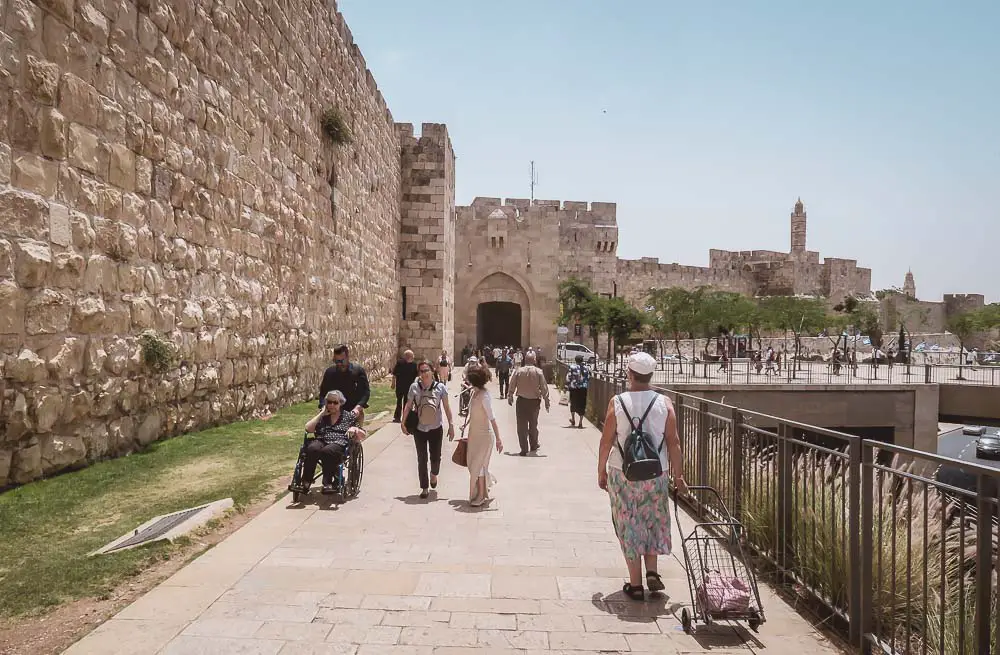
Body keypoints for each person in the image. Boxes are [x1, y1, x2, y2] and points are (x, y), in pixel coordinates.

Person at [597, 352, 687, 601]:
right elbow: (674, 442)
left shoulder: (617, 402)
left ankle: (635, 584)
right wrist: (679, 477)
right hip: (656, 471)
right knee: (652, 517)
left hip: (622, 470)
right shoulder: (664, 402)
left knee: (628, 521)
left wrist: (600, 469)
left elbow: (606, 440)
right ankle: (652, 571)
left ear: (630, 374)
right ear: (650, 375)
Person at [401, 360, 455, 499]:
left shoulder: (440, 388)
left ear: (432, 371)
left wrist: (451, 425)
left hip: (436, 427)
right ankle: (424, 487)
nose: (424, 374)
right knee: (422, 458)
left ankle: (434, 475)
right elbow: (408, 405)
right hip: (419, 428)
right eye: (421, 371)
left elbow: (447, 407)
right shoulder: (414, 387)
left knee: (436, 457)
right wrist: (403, 421)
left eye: (426, 370)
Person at [302, 390, 366, 494]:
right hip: (321, 439)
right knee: (312, 448)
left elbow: (362, 434)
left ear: (340, 403)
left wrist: (355, 429)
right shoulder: (323, 416)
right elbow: (308, 428)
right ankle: (306, 481)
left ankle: (328, 483)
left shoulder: (348, 416)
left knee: (328, 451)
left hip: (338, 442)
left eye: (335, 403)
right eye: (329, 402)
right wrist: (322, 413)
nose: (332, 405)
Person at [464, 365, 504, 507]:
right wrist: (466, 424)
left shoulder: (484, 396)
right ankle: (486, 484)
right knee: (473, 464)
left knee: (478, 466)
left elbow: (492, 419)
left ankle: (481, 495)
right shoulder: (474, 393)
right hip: (474, 435)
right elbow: (473, 413)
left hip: (484, 437)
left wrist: (499, 439)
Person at [507, 351, 550, 455]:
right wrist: (546, 400)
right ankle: (534, 444)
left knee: (521, 426)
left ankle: (524, 448)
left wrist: (510, 395)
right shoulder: (539, 372)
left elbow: (512, 383)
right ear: (534, 360)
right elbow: (544, 387)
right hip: (534, 402)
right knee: (533, 425)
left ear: (524, 360)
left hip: (522, 401)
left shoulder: (518, 371)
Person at [319, 344, 370, 425]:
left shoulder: (358, 371)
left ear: (348, 357)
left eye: (341, 361)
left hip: (353, 411)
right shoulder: (330, 372)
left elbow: (365, 392)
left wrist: (358, 407)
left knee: (354, 435)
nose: (339, 364)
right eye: (336, 361)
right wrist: (322, 407)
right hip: (333, 412)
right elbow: (323, 393)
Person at [391, 350, 418, 423]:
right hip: (400, 386)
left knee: (407, 402)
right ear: (408, 356)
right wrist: (393, 383)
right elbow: (394, 374)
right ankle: (397, 417)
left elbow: (417, 375)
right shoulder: (400, 363)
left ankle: (405, 417)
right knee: (399, 401)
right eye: (412, 355)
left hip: (409, 387)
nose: (413, 356)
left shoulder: (414, 365)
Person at [566, 354, 591, 428]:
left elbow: (569, 377)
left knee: (573, 402)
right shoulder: (586, 368)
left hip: (574, 388)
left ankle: (573, 419)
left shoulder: (572, 367)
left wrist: (566, 386)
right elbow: (589, 377)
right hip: (583, 388)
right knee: (582, 404)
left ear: (575, 360)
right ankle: (580, 422)